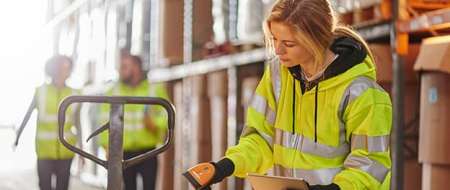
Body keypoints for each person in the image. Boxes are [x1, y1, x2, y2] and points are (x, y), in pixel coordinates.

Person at [189, 0, 392, 189]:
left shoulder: (362, 93)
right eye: (274, 39)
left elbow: (370, 164)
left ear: (316, 40)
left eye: (289, 43)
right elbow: (260, 139)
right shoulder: (278, 76)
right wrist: (224, 167)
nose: (277, 50)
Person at [98, 53, 168, 190]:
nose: (120, 71)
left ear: (136, 68)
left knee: (149, 187)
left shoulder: (154, 89)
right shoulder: (113, 91)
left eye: (124, 67)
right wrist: (106, 147)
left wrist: (155, 125)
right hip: (122, 152)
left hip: (148, 152)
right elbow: (104, 121)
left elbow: (166, 114)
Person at [14, 55, 81, 190]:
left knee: (62, 187)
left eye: (68, 67)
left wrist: (81, 151)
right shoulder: (41, 91)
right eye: (63, 67)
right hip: (44, 151)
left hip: (66, 151)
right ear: (54, 69)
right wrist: (18, 137)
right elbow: (27, 115)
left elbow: (77, 123)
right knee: (44, 187)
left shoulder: (75, 93)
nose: (66, 70)